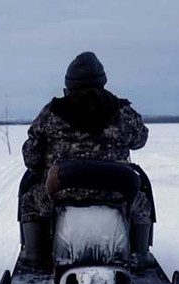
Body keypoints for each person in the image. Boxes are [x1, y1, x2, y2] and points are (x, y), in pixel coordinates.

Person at [19, 51, 152, 266]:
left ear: (69, 84)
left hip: (61, 193)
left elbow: (31, 157)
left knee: (29, 202)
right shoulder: (122, 112)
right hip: (115, 193)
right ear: (102, 81)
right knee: (143, 202)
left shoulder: (51, 113)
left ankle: (35, 257)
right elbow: (140, 139)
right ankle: (141, 255)